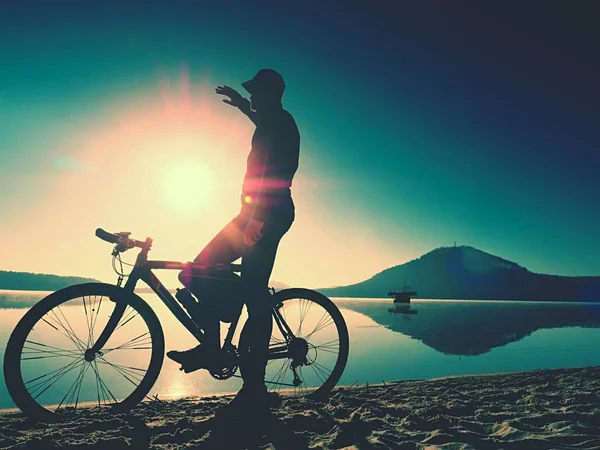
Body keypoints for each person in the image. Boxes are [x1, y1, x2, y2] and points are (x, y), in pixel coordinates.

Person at [167, 69, 300, 407]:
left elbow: (278, 172)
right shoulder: (270, 121)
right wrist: (242, 105)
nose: (252, 97)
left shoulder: (283, 124)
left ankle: (254, 386)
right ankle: (214, 339)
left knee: (255, 297)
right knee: (196, 269)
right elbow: (259, 120)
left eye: (256, 93)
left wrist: (257, 218)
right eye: (250, 93)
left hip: (268, 214)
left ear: (272, 94)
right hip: (250, 214)